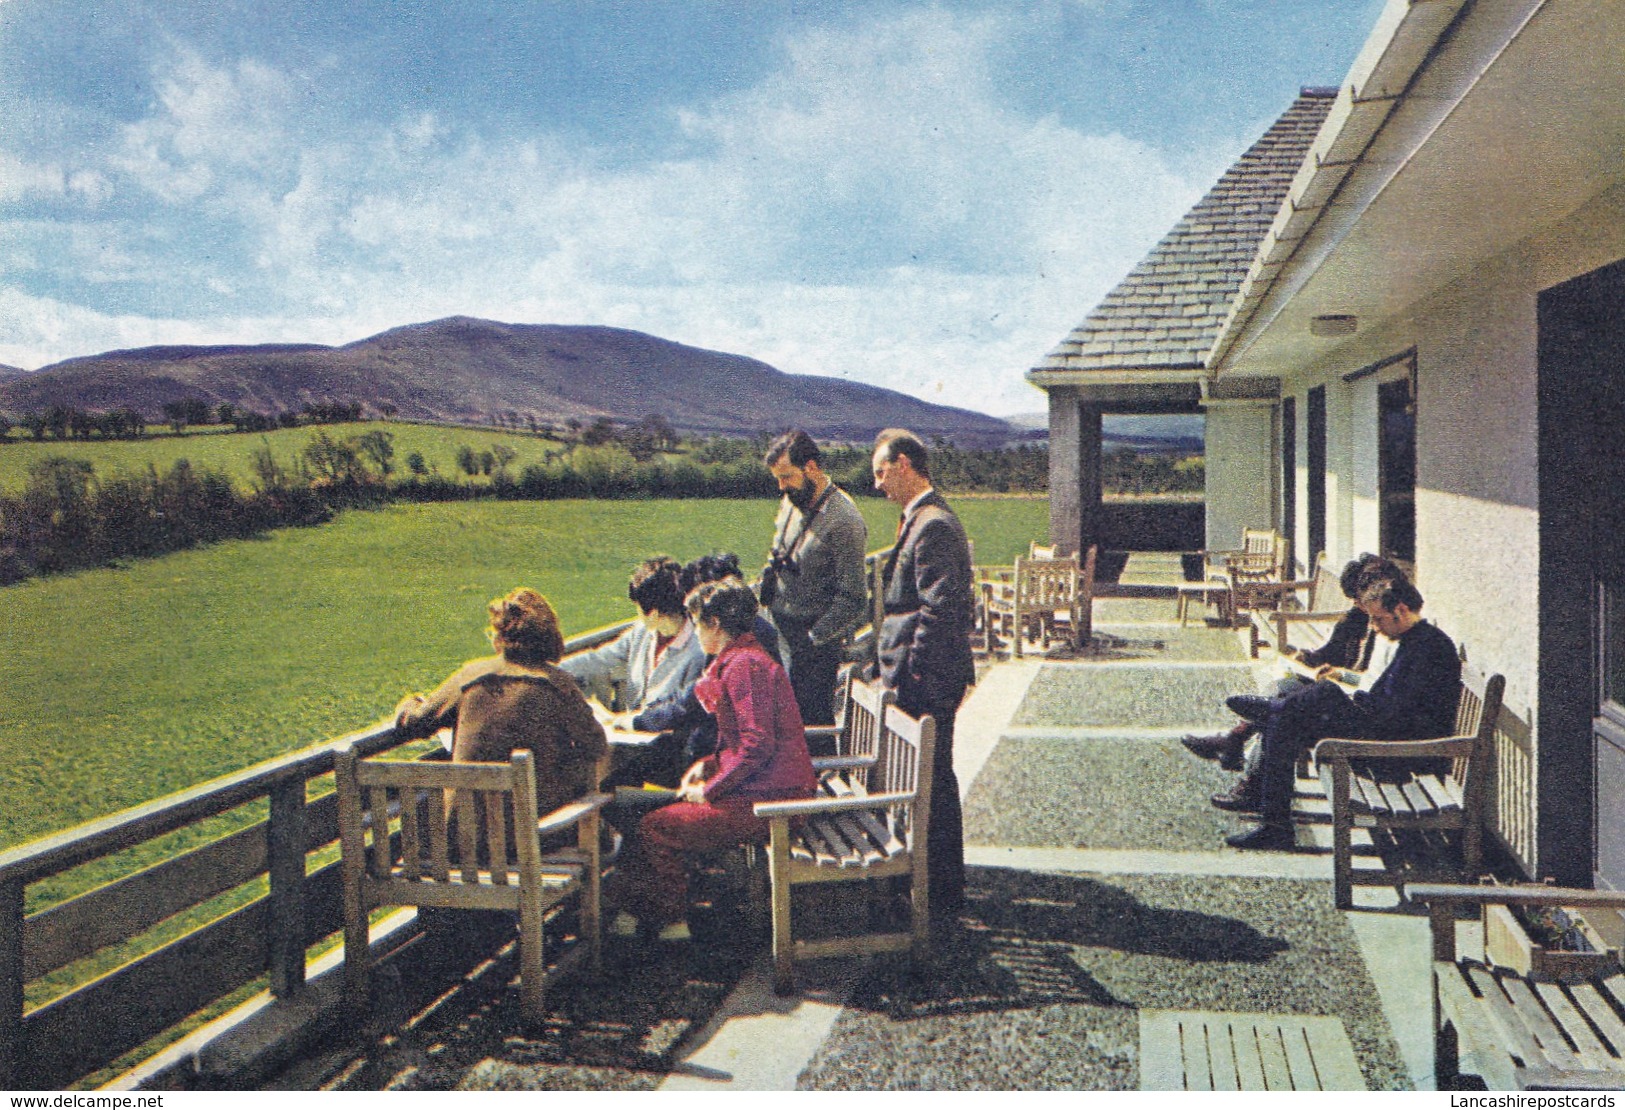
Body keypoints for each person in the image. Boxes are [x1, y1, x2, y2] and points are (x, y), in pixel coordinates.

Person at [610, 580, 817, 942]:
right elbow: (746, 742)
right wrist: (708, 764)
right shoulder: (742, 659)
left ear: (716, 624)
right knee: (642, 814)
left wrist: (711, 788)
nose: (695, 630)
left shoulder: (744, 667)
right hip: (767, 792)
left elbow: (756, 744)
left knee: (656, 826)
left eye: (698, 621)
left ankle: (670, 925)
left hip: (773, 803)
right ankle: (653, 918)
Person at [1223, 577, 1461, 850]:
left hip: (1402, 754)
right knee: (1289, 718)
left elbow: (1395, 714)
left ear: (1402, 610)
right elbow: (1390, 704)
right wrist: (1354, 699)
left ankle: (1275, 822)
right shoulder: (1415, 641)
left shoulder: (1428, 648)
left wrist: (1351, 702)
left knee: (1318, 698)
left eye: (1378, 619)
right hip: (1388, 735)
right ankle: (1274, 825)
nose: (1374, 627)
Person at [871, 427, 976, 922]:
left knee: (931, 784)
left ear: (906, 464)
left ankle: (939, 896)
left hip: (924, 681)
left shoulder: (932, 524)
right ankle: (934, 889)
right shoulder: (923, 520)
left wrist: (908, 675)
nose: (877, 483)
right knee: (930, 781)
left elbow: (940, 610)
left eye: (881, 470)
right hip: (920, 677)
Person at [393, 588, 608, 824]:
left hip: (464, 836)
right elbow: (596, 745)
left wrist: (411, 702)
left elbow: (415, 721)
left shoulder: (469, 677)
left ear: (499, 636)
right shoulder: (558, 685)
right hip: (534, 837)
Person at [1182, 553, 1400, 771]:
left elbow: (1374, 686)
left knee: (1283, 702)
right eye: (1356, 599)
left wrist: (1342, 675)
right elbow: (1331, 652)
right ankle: (1238, 747)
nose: (1357, 605)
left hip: (1352, 704)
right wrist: (1306, 658)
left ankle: (1237, 745)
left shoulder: (1390, 630)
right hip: (1342, 690)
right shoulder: (1357, 618)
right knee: (1283, 691)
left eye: (1360, 599)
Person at [761, 429, 869, 729]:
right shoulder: (793, 501)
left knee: (811, 728)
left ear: (811, 468)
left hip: (813, 646)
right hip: (781, 630)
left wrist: (813, 640)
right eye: (778, 480)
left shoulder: (845, 520)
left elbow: (854, 598)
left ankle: (824, 775)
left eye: (787, 477)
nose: (782, 488)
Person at [561, 555, 708, 716]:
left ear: (653, 614)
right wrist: (552, 669)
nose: (638, 615)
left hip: (667, 736)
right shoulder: (640, 633)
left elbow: (681, 712)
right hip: (630, 730)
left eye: (638, 608)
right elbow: (599, 659)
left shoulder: (699, 651)